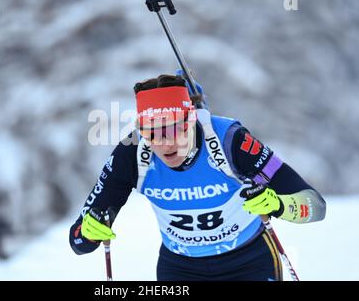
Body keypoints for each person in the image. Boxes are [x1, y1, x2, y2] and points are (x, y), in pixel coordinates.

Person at [69, 74, 326, 281]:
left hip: (248, 262)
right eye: (151, 133)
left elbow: (315, 205)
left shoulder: (231, 142)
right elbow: (78, 240)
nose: (165, 143)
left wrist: (280, 205)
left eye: (174, 130)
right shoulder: (132, 153)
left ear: (191, 120)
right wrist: (90, 232)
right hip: (180, 268)